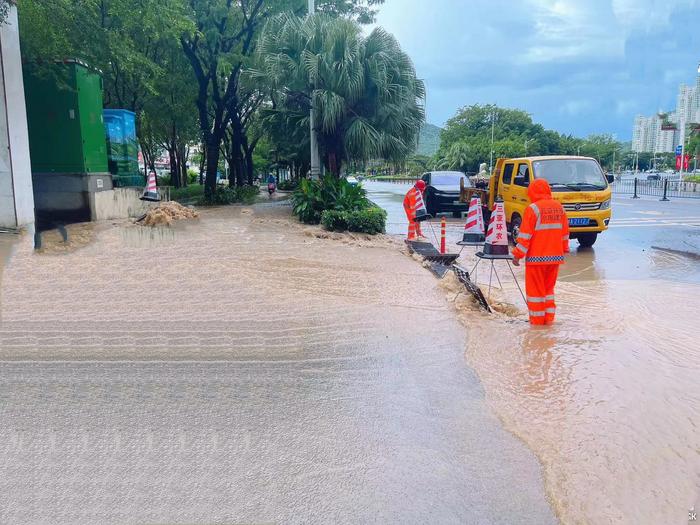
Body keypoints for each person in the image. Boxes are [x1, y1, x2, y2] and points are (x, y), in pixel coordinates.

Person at [512, 179, 569, 325]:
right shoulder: (559, 208)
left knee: (535, 293)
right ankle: (548, 322)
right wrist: (564, 249)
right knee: (548, 291)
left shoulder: (533, 209)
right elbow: (564, 234)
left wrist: (517, 255)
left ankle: (537, 325)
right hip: (555, 258)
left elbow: (525, 237)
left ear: (532, 192)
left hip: (536, 260)